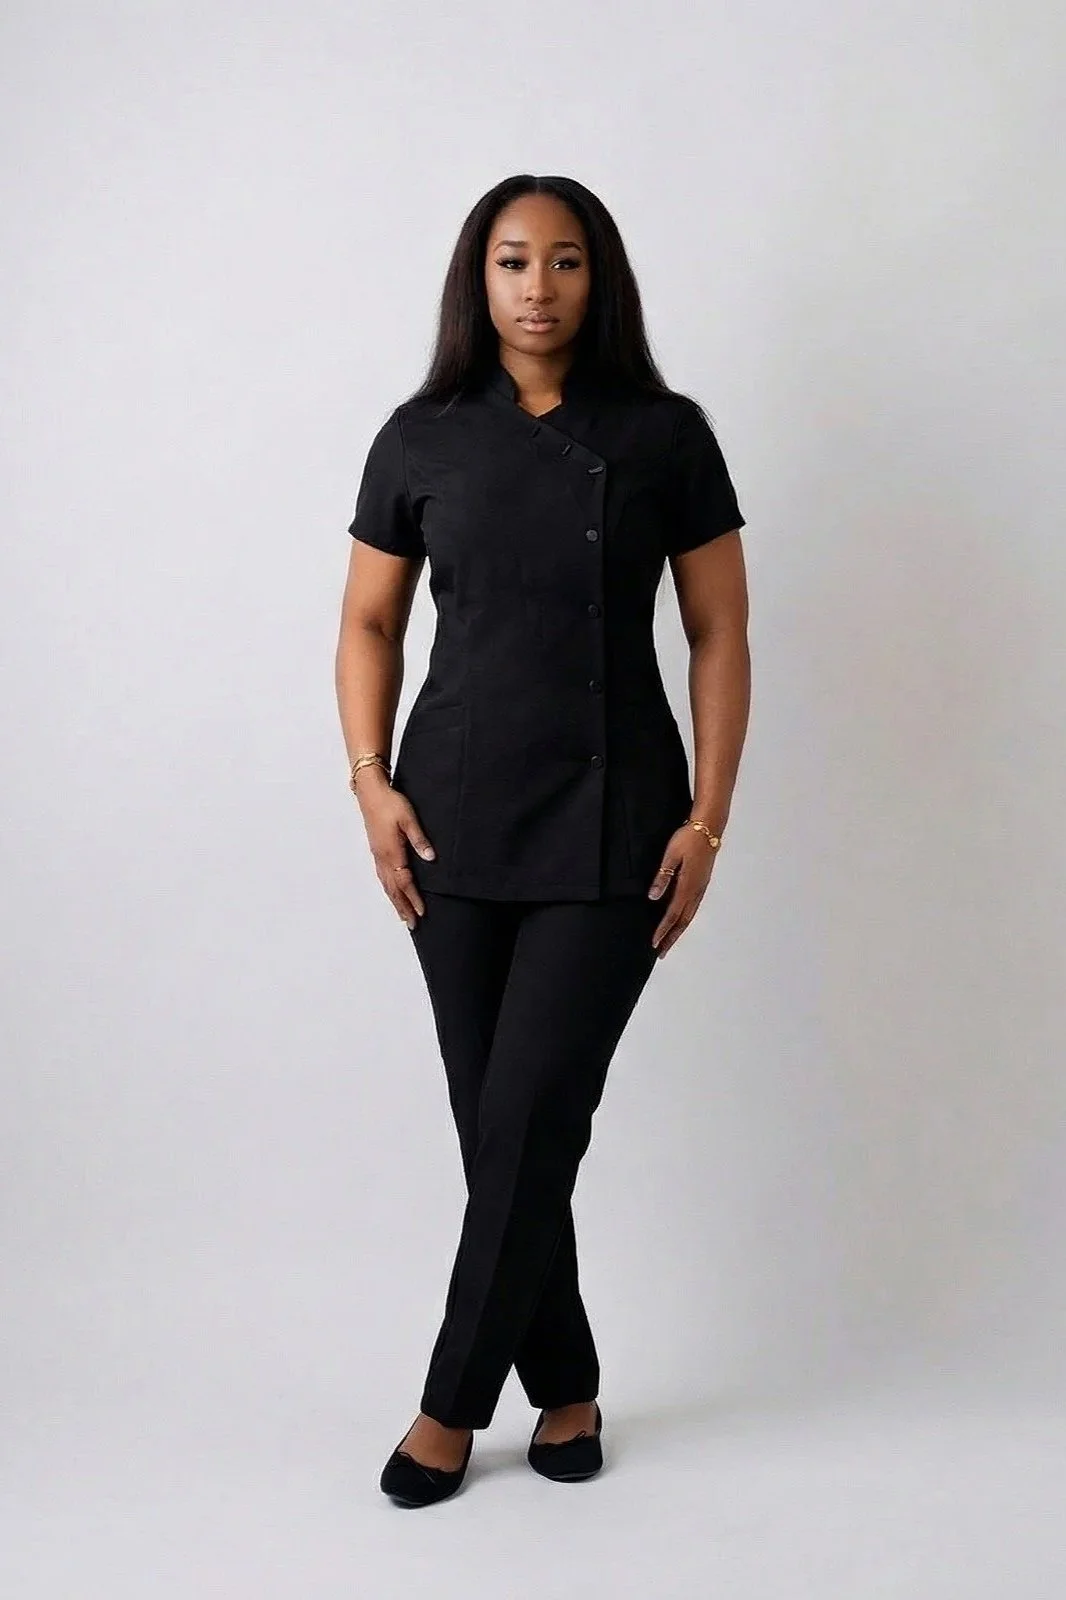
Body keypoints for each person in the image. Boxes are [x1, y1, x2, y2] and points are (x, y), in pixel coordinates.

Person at [335, 174, 751, 1506]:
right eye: (513, 260)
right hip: (449, 821)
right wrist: (370, 786)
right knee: (501, 1133)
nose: (537, 286)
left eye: (564, 260)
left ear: (598, 277)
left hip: (616, 820)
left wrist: (707, 818)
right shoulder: (420, 438)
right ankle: (565, 1386)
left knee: (529, 1119)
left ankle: (448, 1406)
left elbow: (719, 633)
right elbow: (369, 623)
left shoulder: (665, 435)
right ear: (479, 277)